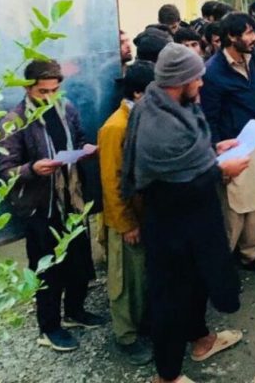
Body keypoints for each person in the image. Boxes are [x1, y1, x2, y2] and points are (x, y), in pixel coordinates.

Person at [121, 43, 247, 383]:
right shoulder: (158, 126)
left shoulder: (176, 106)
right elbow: (174, 188)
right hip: (171, 230)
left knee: (197, 285)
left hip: (195, 225)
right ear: (180, 80)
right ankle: (167, 376)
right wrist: (220, 170)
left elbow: (189, 161)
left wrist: (213, 150)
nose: (202, 83)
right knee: (170, 301)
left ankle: (201, 339)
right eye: (197, 78)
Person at [0, 60, 104, 352]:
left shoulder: (66, 108)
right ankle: (49, 327)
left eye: (54, 90)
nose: (49, 97)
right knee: (47, 270)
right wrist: (32, 169)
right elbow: (6, 171)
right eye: (42, 92)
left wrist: (85, 150)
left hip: (72, 200)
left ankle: (75, 311)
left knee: (79, 260)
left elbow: (78, 140)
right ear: (28, 88)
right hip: (41, 209)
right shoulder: (14, 121)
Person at [200, 13, 255, 275]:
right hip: (232, 148)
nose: (254, 38)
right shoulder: (213, 72)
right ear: (231, 37)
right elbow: (210, 118)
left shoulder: (252, 59)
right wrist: (218, 157)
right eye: (248, 33)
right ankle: (221, 264)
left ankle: (249, 255)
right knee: (235, 209)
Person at [99, 61, 156, 365]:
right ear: (137, 93)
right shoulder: (115, 127)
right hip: (125, 219)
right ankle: (126, 337)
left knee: (142, 277)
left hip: (144, 214)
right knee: (123, 282)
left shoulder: (142, 118)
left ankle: (143, 325)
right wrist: (126, 223)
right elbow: (111, 182)